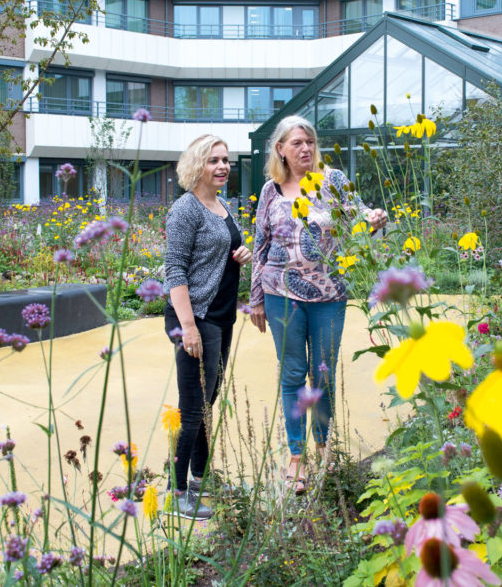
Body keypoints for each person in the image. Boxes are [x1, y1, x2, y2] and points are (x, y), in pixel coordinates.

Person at [249, 115, 387, 493]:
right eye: (297, 143)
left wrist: (374, 220)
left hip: (328, 294)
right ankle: (296, 456)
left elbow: (359, 217)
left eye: (309, 141)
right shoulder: (271, 191)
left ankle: (323, 447)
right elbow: (261, 244)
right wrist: (256, 298)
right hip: (280, 295)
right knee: (292, 373)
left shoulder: (334, 181)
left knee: (321, 373)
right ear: (281, 149)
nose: (306, 148)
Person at [163, 134, 251, 519]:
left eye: (226, 160)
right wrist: (188, 328)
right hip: (195, 318)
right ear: (197, 165)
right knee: (192, 408)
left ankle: (199, 477)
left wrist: (241, 254)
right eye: (214, 160)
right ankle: (175, 491)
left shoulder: (220, 205)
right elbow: (174, 270)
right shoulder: (186, 209)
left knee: (207, 401)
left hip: (221, 317)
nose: (222, 166)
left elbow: (220, 252)